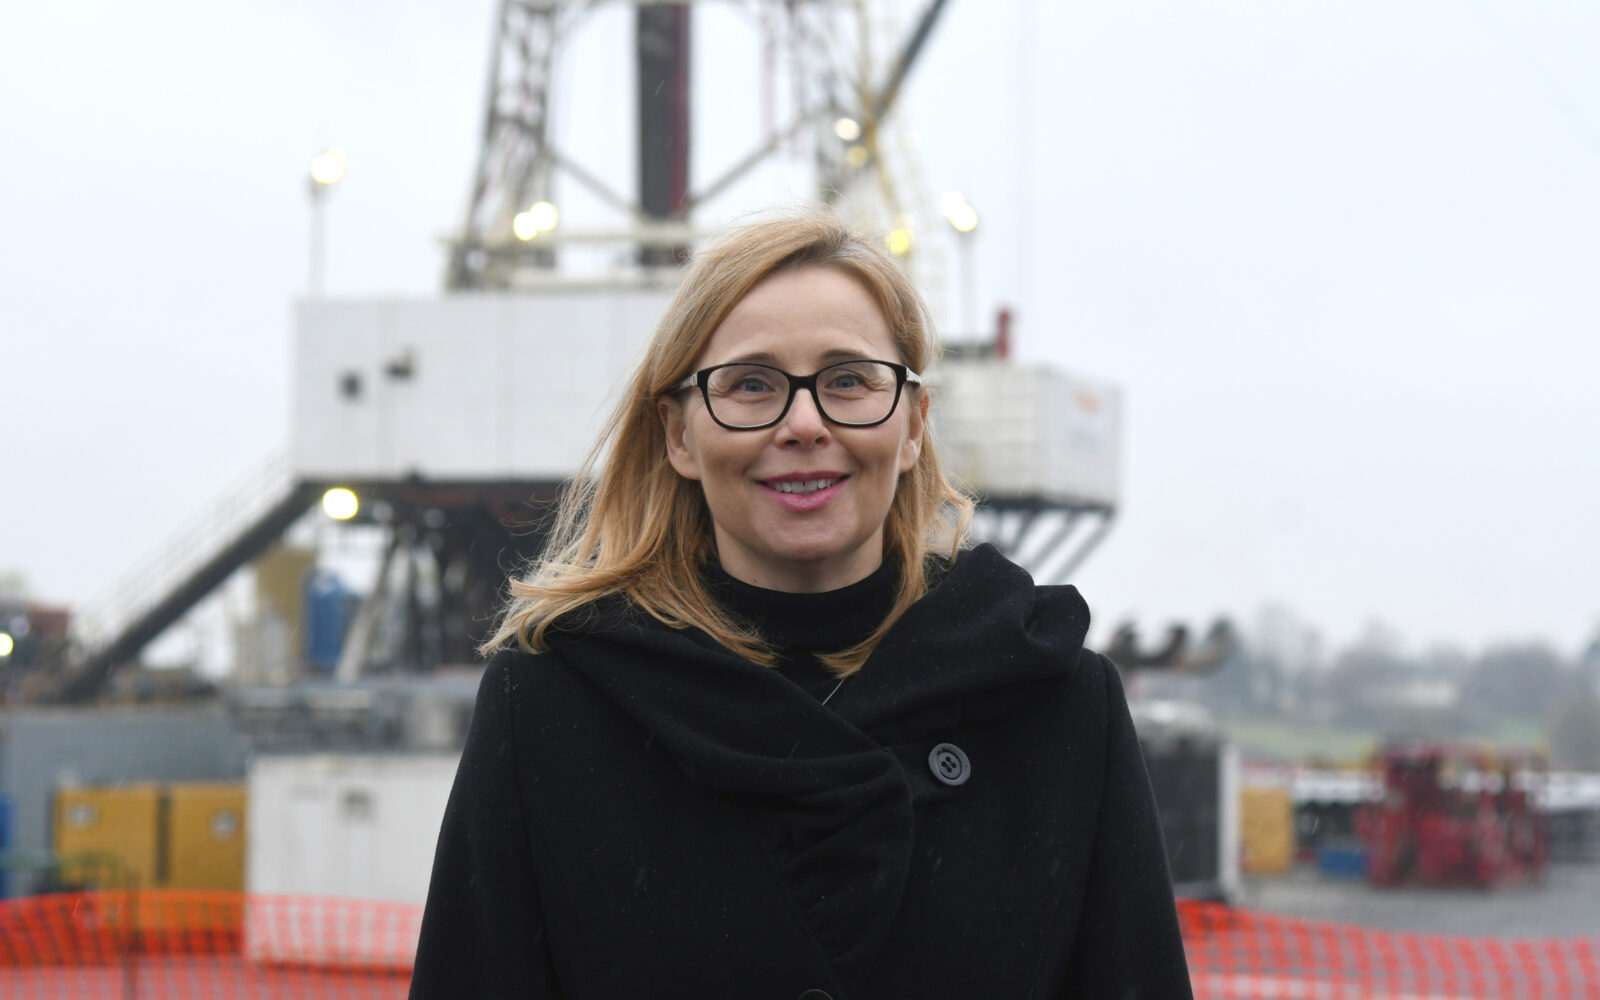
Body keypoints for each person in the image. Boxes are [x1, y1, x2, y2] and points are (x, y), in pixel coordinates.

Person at [409, 212, 1194, 999]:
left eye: (848, 380)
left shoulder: (1056, 708)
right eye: (751, 384)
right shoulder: (553, 710)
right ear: (679, 435)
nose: (805, 424)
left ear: (913, 425)